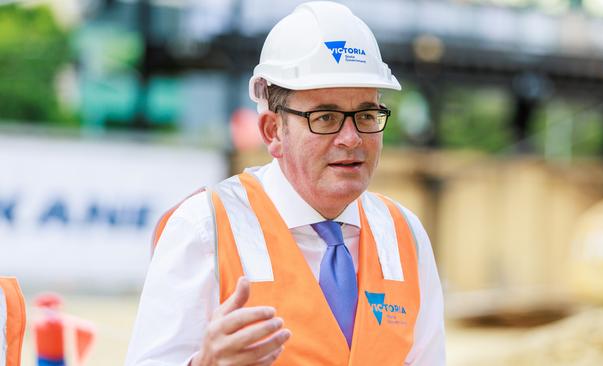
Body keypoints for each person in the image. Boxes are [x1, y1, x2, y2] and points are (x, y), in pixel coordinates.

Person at [125, 2, 445, 365]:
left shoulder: (405, 236)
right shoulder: (203, 230)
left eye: (367, 114)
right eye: (325, 117)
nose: (352, 138)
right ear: (273, 131)